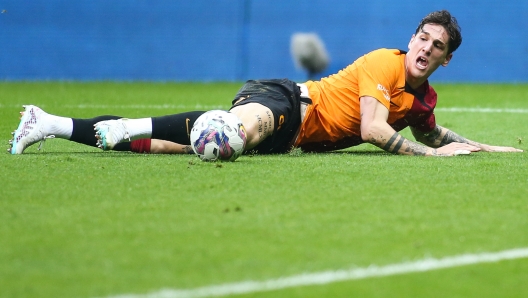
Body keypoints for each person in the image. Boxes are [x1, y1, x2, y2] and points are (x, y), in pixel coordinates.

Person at [8, 10, 523, 157]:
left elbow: (436, 135)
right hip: (286, 101)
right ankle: (225, 125)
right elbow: (371, 128)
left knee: (161, 144)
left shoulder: (422, 98)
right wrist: (428, 158)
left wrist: (498, 150)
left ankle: (48, 123)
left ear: (446, 60)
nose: (425, 48)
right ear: (410, 39)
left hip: (289, 138)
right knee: (233, 132)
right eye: (422, 37)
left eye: (437, 47)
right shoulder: (384, 64)